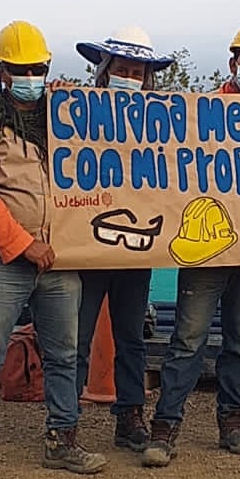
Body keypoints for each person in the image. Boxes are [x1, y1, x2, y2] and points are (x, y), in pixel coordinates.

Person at [0, 20, 106, 479]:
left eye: (37, 69)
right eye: (19, 69)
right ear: (2, 72)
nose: (29, 77)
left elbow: (113, 141)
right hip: (2, 261)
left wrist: (75, 100)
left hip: (60, 261)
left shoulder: (65, 121)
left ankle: (63, 440)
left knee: (64, 355)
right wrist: (25, 245)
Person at [143, 22, 240, 467]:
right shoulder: (199, 112)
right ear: (232, 63)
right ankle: (165, 425)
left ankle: (233, 422)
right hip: (205, 248)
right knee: (188, 339)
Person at [73, 26, 177, 452]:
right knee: (77, 336)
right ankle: (66, 420)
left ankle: (130, 415)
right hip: (86, 246)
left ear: (146, 78)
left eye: (137, 73)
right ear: (105, 71)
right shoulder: (74, 115)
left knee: (131, 336)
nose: (128, 78)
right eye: (122, 70)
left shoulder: (162, 123)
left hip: (136, 249)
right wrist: (55, 100)